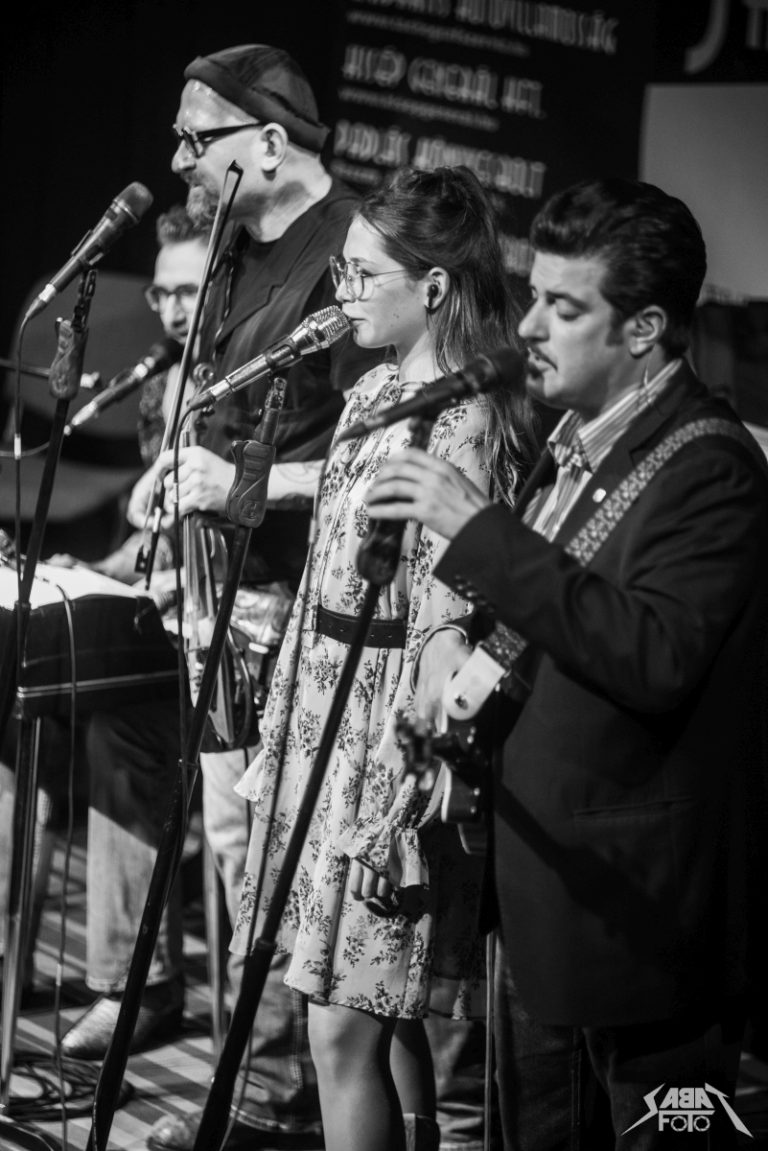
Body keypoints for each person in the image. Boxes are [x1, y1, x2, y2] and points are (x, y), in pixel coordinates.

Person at [364, 176, 768, 1149]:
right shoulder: (577, 434)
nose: (530, 327)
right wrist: (456, 646)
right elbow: (552, 611)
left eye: (564, 305)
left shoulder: (711, 465)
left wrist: (478, 531)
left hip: (642, 928)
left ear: (645, 328)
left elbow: (653, 653)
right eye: (534, 295)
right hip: (547, 889)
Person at [59, 42, 381, 1151]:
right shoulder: (238, 245)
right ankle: (240, 1076)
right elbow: (220, 406)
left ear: (272, 143)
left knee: (271, 854)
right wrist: (175, 466)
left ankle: (271, 1099)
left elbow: (384, 452)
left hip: (306, 608)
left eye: (197, 139)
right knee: (231, 842)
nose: (178, 159)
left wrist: (244, 484)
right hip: (219, 596)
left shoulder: (356, 251)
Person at [229, 163, 537, 1151]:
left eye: (363, 274)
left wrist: (403, 790)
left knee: (342, 1021)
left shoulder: (465, 421)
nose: (343, 290)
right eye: (341, 272)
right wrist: (282, 719)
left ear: (433, 285)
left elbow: (451, 615)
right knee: (372, 1006)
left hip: (385, 733)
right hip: (324, 716)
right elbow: (328, 562)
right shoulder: (370, 390)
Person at [0, 204, 209, 1000]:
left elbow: (221, 542)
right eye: (161, 293)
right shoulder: (160, 380)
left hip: (213, 625)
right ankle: (6, 961)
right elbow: (157, 537)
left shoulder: (241, 386)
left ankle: (137, 986)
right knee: (18, 719)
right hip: (151, 605)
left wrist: (152, 584)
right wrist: (95, 569)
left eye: (188, 291)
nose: (173, 309)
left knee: (119, 730)